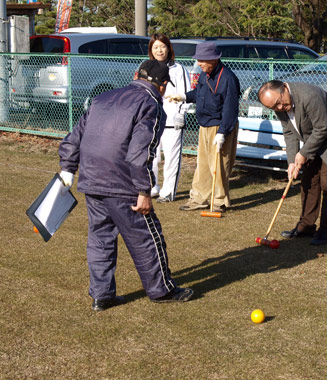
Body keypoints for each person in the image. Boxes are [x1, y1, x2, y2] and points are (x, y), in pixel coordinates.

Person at [58, 59, 194, 312]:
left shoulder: (102, 98)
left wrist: (68, 168)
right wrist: (144, 191)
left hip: (92, 181)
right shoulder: (150, 104)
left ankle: (102, 295)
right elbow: (139, 153)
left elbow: (74, 138)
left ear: (136, 75)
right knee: (146, 238)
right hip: (123, 184)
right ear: (163, 86)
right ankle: (161, 290)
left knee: (100, 239)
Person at [257, 80, 327, 246]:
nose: (279, 108)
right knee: (308, 181)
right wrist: (291, 162)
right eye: (274, 107)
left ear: (284, 88)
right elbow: (289, 132)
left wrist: (302, 154)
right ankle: (306, 226)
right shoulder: (279, 105)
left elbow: (322, 128)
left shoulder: (309, 95)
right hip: (314, 142)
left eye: (279, 102)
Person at [166, 42, 240, 213]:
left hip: (220, 127)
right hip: (204, 125)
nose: (198, 63)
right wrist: (183, 96)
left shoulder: (228, 78)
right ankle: (199, 198)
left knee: (219, 165)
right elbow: (198, 93)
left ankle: (219, 202)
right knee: (203, 164)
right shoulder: (204, 75)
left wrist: (222, 132)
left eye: (202, 60)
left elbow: (230, 108)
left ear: (213, 60)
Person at [148, 33, 191, 203]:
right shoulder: (147, 67)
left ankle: (168, 192)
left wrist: (181, 113)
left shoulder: (178, 69)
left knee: (172, 157)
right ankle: (151, 187)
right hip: (151, 120)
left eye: (162, 46)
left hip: (173, 121)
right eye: (155, 47)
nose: (159, 50)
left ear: (168, 48)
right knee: (151, 156)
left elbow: (186, 94)